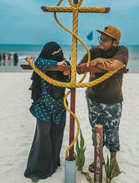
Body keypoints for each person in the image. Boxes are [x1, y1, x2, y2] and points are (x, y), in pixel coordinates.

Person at [78, 25, 128, 174]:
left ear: (115, 42)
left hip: (113, 100)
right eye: (101, 38)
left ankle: (113, 160)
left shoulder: (122, 50)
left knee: (112, 131)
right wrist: (95, 61)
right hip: (93, 98)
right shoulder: (94, 51)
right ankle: (98, 158)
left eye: (106, 39)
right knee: (96, 130)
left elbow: (114, 66)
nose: (101, 41)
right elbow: (79, 68)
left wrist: (98, 63)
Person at [24, 42, 70, 181]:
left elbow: (69, 80)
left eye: (59, 51)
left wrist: (66, 70)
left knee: (57, 135)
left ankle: (52, 165)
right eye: (55, 52)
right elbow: (38, 61)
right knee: (43, 136)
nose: (58, 54)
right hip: (43, 106)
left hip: (60, 106)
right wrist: (58, 65)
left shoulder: (65, 64)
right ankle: (38, 169)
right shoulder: (42, 63)